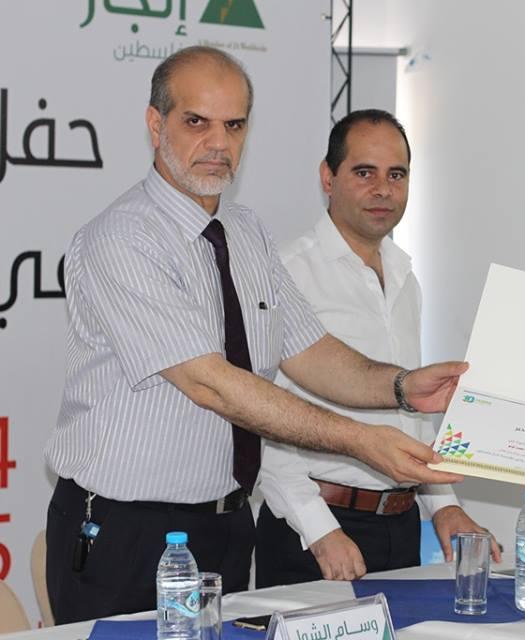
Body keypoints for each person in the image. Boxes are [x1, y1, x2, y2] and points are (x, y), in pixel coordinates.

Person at [43, 47, 465, 624]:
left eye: (235, 125)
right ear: (155, 124)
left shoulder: (245, 231)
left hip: (225, 526)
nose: (219, 143)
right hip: (125, 533)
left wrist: (401, 387)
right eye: (198, 122)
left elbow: (311, 352)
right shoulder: (121, 239)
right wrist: (359, 440)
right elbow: (212, 384)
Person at [256, 110, 500, 586]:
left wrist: (444, 506)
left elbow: (412, 408)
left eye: (397, 175)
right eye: (365, 173)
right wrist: (319, 529)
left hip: (401, 525)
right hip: (314, 531)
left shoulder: (406, 277)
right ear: (328, 177)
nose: (383, 190)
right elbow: (263, 416)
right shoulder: (285, 273)